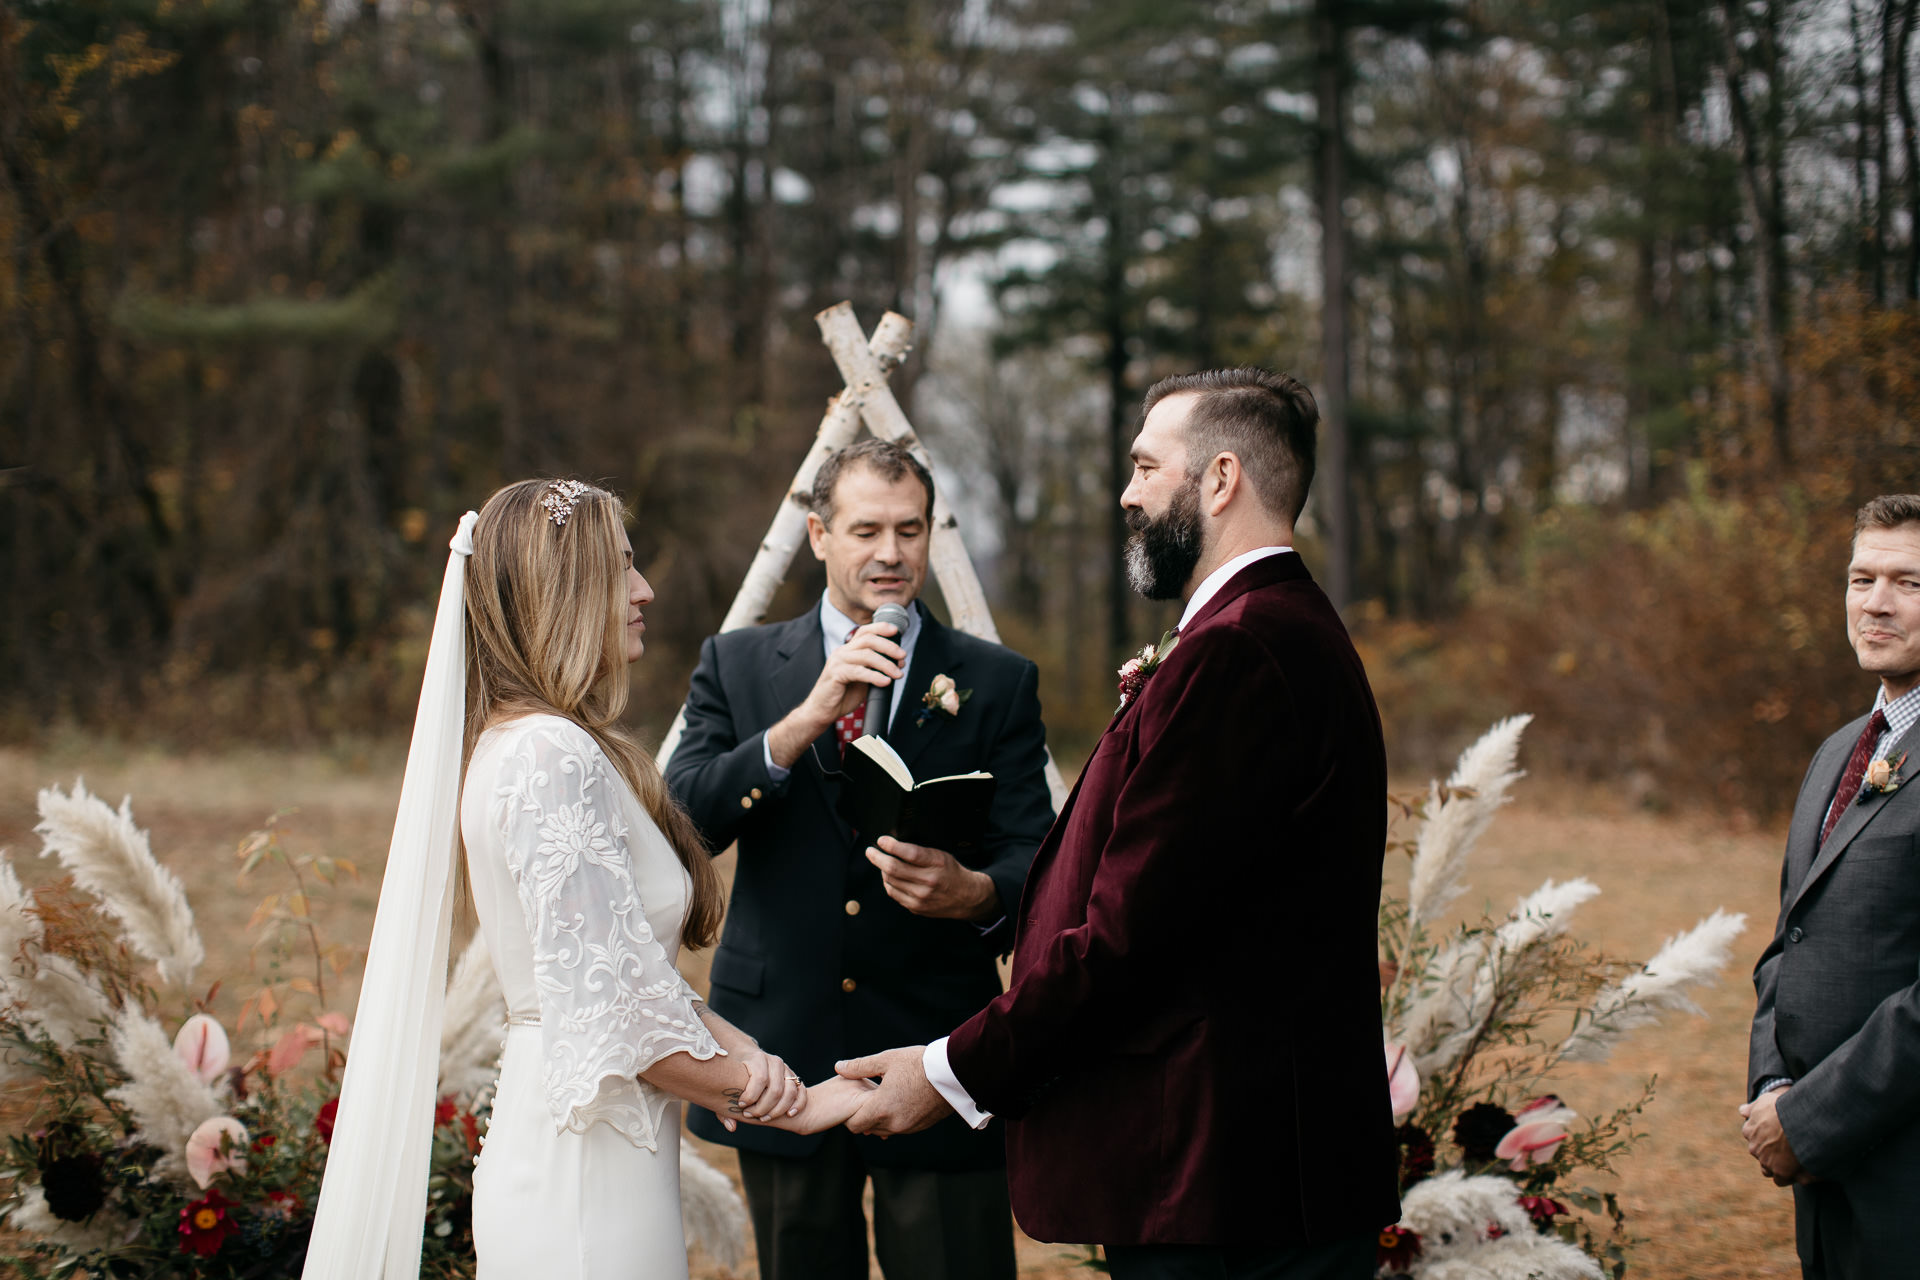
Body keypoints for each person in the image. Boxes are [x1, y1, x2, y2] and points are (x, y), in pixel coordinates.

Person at [835, 370, 1402, 1280]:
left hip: (1228, 1183)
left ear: (1220, 481)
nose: (1126, 492)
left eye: (1145, 466)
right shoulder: (1266, 631)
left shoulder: (1243, 652)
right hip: (1241, 1176)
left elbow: (1131, 936)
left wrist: (950, 1072)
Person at [304, 479, 872, 1280]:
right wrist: (786, 1099)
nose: (645, 590)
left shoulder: (550, 744)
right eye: (622, 568)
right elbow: (612, 1020)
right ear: (563, 590)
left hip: (608, 1152)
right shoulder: (547, 756)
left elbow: (630, 976)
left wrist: (751, 1053)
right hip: (581, 1181)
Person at [666, 437, 1056, 1280]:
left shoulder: (995, 679)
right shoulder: (735, 665)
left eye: (910, 531)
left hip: (936, 1045)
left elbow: (1041, 857)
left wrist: (977, 892)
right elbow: (682, 822)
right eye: (867, 529)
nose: (890, 553)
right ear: (818, 535)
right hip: (779, 1047)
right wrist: (802, 720)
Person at [1744, 493, 1920, 1280]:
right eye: (1861, 578)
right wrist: (1775, 1090)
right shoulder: (1837, 753)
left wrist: (1812, 1121)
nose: (1876, 603)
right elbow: (1789, 940)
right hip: (1823, 1185)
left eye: (1909, 583)